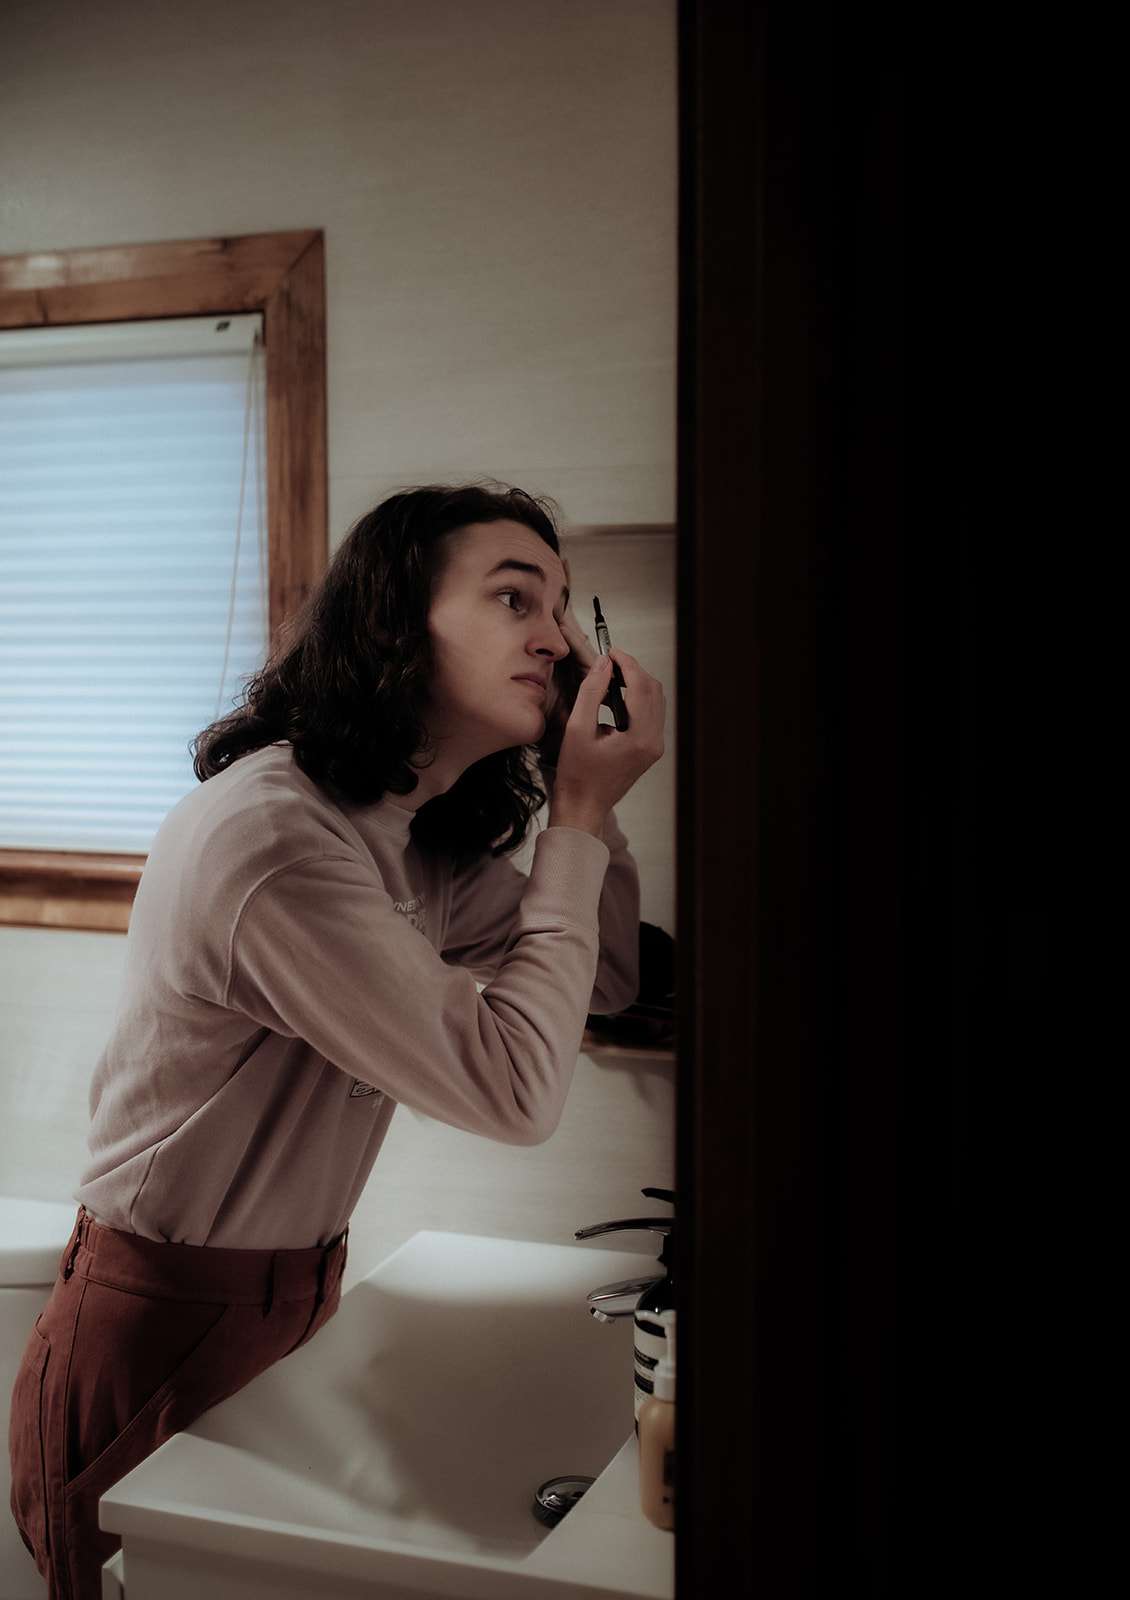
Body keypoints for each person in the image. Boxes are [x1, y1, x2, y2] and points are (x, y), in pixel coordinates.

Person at [7, 482, 665, 1599]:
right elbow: (514, 1094)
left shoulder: (405, 839)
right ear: (396, 622)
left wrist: (593, 802)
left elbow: (601, 975)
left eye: (561, 607)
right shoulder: (275, 837)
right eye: (516, 598)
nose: (558, 639)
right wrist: (580, 816)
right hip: (157, 1324)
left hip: (292, 1295)